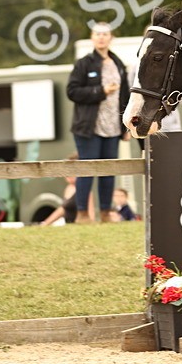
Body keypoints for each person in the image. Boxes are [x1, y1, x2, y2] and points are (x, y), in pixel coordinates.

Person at [67, 23, 131, 221]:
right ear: (92, 38)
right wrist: (100, 91)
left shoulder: (118, 63)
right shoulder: (84, 63)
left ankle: (105, 212)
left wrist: (126, 126)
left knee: (108, 172)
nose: (101, 38)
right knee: (87, 169)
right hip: (89, 128)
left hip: (112, 127)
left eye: (105, 34)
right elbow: (72, 91)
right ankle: (82, 213)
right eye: (97, 34)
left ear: (111, 37)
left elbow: (126, 96)